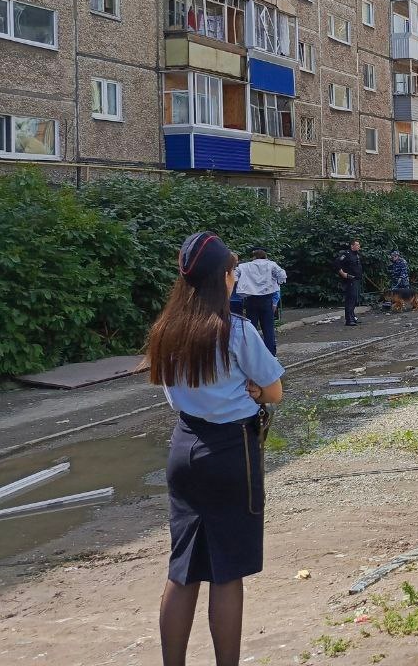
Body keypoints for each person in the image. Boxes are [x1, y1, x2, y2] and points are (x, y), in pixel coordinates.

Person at [147, 231, 284, 666]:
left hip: (183, 448)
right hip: (230, 453)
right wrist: (252, 392)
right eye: (232, 272)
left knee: (182, 569)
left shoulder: (166, 331)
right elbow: (274, 391)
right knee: (226, 572)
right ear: (221, 279)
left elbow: (172, 394)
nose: (235, 280)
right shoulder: (237, 331)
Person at [234, 247, 286, 356]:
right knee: (268, 329)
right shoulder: (271, 264)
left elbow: (234, 276)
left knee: (251, 329)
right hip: (266, 299)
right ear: (264, 255)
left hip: (251, 300)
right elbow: (282, 274)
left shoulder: (245, 266)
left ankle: (252, 354)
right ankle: (271, 354)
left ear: (253, 256)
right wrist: (277, 282)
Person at [336, 239, 363, 327]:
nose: (359, 247)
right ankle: (349, 319)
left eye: (359, 245)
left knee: (354, 299)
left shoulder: (356, 254)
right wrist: (342, 273)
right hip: (350, 280)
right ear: (352, 246)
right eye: (357, 245)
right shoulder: (346, 254)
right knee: (350, 300)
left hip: (356, 280)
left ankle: (353, 317)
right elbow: (337, 263)